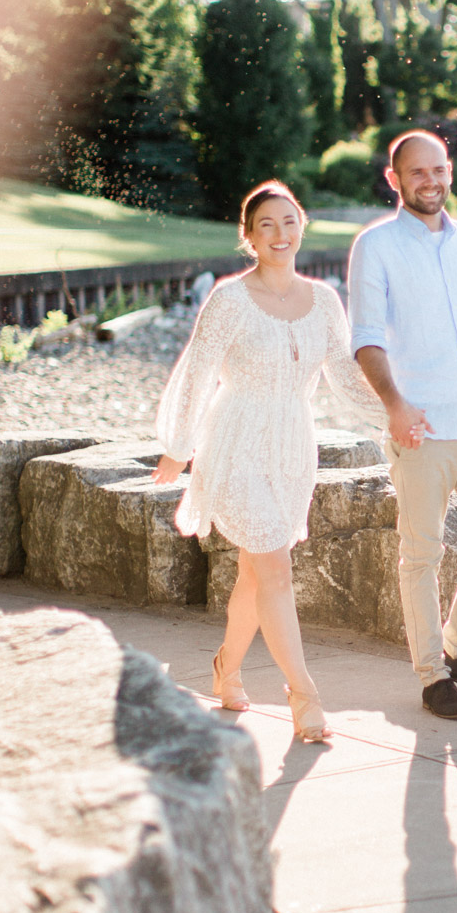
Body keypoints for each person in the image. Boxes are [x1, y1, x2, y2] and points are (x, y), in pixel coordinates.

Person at [152, 180, 382, 741]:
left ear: (301, 226)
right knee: (274, 567)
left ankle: (226, 669)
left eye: (288, 222)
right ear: (249, 238)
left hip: (293, 447)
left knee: (258, 570)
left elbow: (346, 376)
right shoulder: (229, 299)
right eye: (266, 226)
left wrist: (395, 414)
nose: (280, 234)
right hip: (235, 443)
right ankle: (304, 695)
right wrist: (178, 448)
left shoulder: (324, 300)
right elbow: (197, 374)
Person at [348, 130, 457, 721]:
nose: (431, 181)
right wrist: (394, 405)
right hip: (422, 425)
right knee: (421, 554)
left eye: (439, 170)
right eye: (417, 172)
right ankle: (431, 675)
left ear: (450, 172)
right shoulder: (377, 246)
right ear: (394, 180)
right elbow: (366, 338)